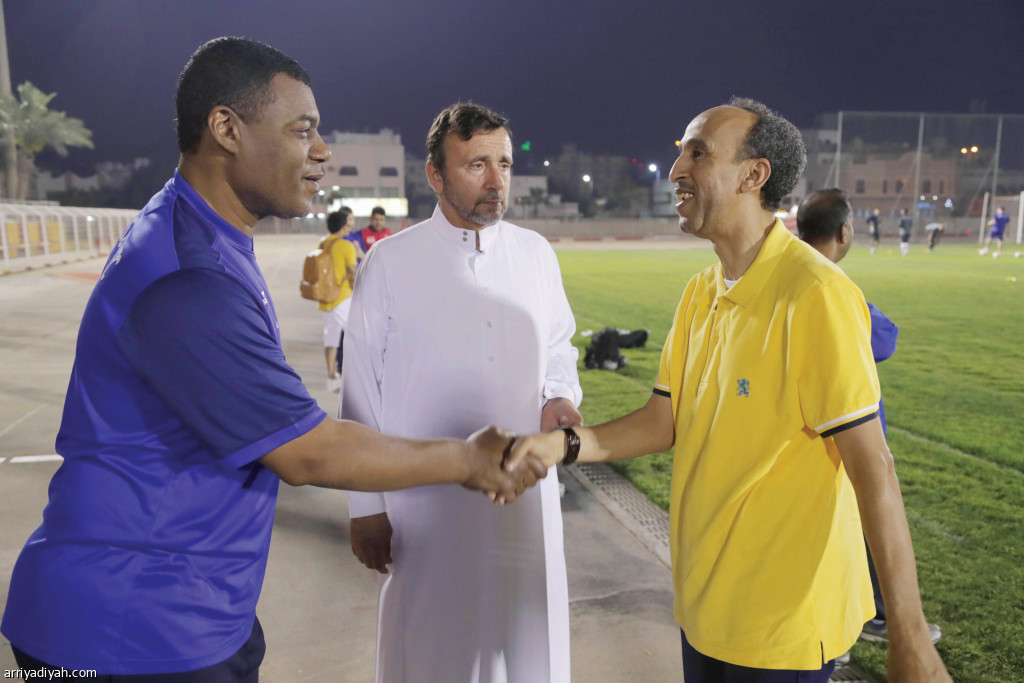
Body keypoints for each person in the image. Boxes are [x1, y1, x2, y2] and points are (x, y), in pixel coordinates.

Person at [0, 37, 544, 681]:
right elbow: (308, 453)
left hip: (185, 607)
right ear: (226, 129)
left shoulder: (201, 231)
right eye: (302, 130)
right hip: (131, 628)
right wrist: (468, 459)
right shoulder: (189, 278)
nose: (322, 150)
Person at [510, 98, 951, 683]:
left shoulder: (815, 294)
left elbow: (874, 469)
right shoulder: (700, 292)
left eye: (698, 153)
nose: (676, 170)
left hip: (783, 626)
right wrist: (560, 445)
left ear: (753, 175)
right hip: (704, 608)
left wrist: (910, 636)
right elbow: (662, 422)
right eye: (681, 154)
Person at [343, 102, 583, 683]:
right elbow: (360, 390)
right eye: (477, 165)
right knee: (431, 646)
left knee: (529, 642)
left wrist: (557, 396)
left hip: (524, 493)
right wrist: (366, 507)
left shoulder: (535, 253)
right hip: (424, 501)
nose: (497, 181)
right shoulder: (390, 261)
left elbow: (558, 345)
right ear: (435, 173)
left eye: (504, 164)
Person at [796, 189, 943, 666]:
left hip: (793, 441)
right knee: (865, 518)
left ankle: (828, 626)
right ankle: (869, 620)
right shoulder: (830, 285)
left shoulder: (773, 276)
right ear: (844, 232)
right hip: (844, 434)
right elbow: (885, 339)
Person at [320, 208, 358, 392]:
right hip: (342, 298)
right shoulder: (346, 245)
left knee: (332, 338)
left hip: (325, 298)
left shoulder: (323, 243)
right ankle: (354, 377)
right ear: (344, 226)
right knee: (355, 336)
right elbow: (352, 272)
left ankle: (331, 376)